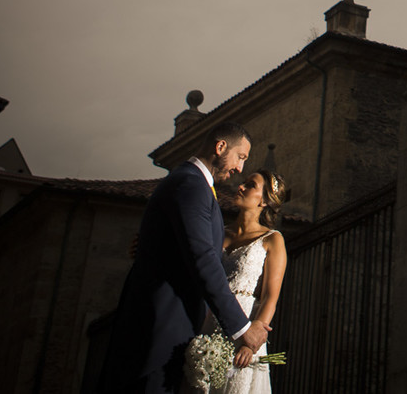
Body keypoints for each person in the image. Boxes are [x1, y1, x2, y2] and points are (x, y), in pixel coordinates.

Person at [100, 122, 267, 394]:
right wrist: (241, 328)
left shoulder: (190, 183)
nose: (240, 169)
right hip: (162, 323)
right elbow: (203, 259)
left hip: (169, 322)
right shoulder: (191, 185)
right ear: (220, 146)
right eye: (241, 157)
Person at [187, 169, 288, 394]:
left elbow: (270, 296)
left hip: (244, 328)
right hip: (208, 321)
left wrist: (252, 340)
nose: (240, 187)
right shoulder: (219, 234)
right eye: (243, 183)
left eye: (250, 185)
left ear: (264, 200)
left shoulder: (272, 239)